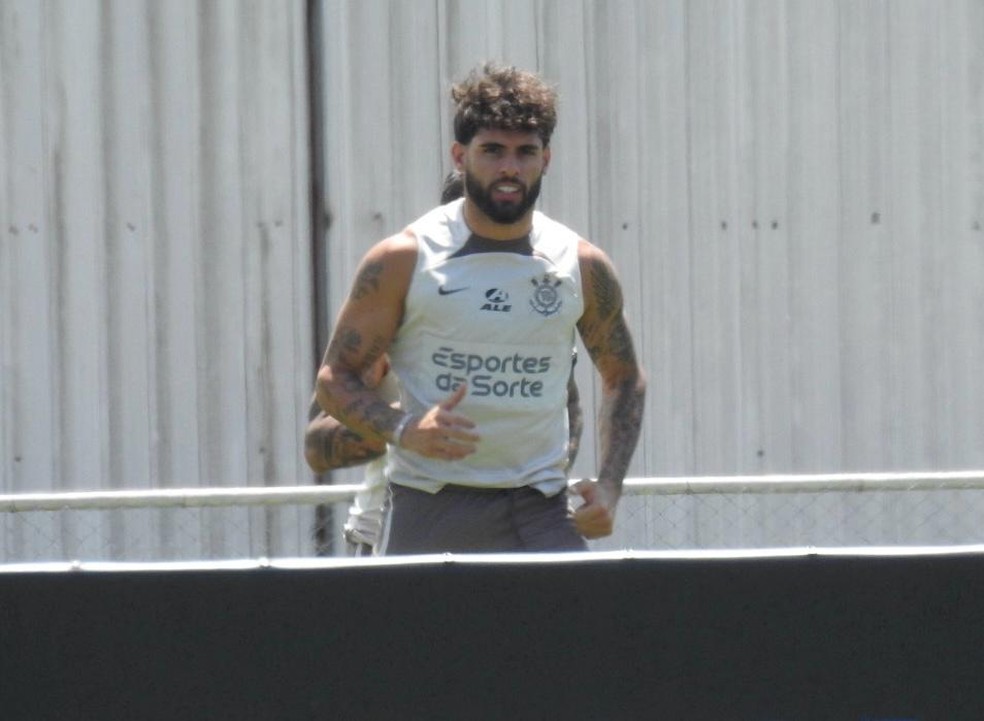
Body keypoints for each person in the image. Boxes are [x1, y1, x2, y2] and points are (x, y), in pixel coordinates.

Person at [316, 62, 645, 554]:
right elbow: (334, 379)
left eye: (525, 152)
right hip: (430, 506)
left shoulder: (580, 263)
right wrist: (404, 428)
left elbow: (624, 378)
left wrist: (611, 486)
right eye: (492, 150)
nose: (510, 168)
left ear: (546, 159)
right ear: (460, 155)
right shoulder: (404, 258)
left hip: (541, 510)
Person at [305, 174, 584, 556]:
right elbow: (317, 448)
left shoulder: (537, 310)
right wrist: (405, 425)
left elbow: (570, 407)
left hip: (519, 531)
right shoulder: (399, 313)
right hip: (400, 533)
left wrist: (545, 478)